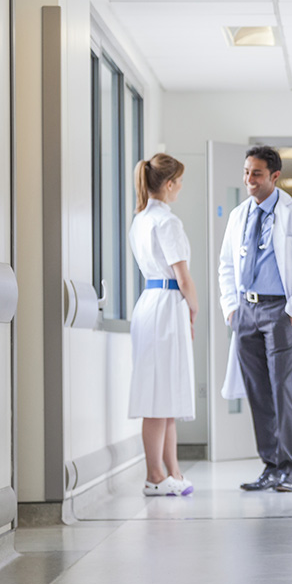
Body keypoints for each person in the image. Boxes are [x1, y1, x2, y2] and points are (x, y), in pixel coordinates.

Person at [219, 145, 292, 493]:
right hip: (246, 313)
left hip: (281, 312)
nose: (249, 180)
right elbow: (226, 265)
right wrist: (231, 309)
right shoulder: (238, 215)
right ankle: (270, 466)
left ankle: (291, 468)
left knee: (283, 392)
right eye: (247, 173)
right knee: (258, 393)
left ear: (275, 177)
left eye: (257, 174)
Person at [128, 153, 197, 497]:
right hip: (167, 305)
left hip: (152, 304)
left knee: (165, 394)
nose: (180, 188)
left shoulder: (141, 219)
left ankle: (173, 472)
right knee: (158, 396)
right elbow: (182, 276)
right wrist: (194, 308)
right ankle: (155, 475)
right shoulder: (167, 222)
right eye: (179, 182)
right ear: (169, 184)